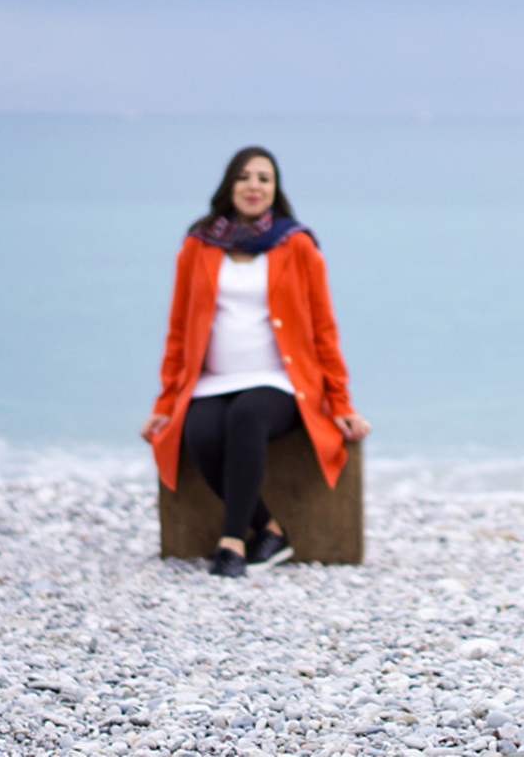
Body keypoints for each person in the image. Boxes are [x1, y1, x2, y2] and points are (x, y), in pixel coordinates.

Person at [141, 146, 370, 578]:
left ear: (274, 190)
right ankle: (268, 529)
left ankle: (231, 544)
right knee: (200, 432)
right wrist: (164, 402)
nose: (253, 186)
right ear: (229, 185)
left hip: (279, 381)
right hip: (211, 381)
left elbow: (324, 329)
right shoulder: (198, 244)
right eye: (244, 177)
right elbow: (178, 329)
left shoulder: (296, 244)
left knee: (246, 417)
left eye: (264, 178)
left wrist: (341, 404)